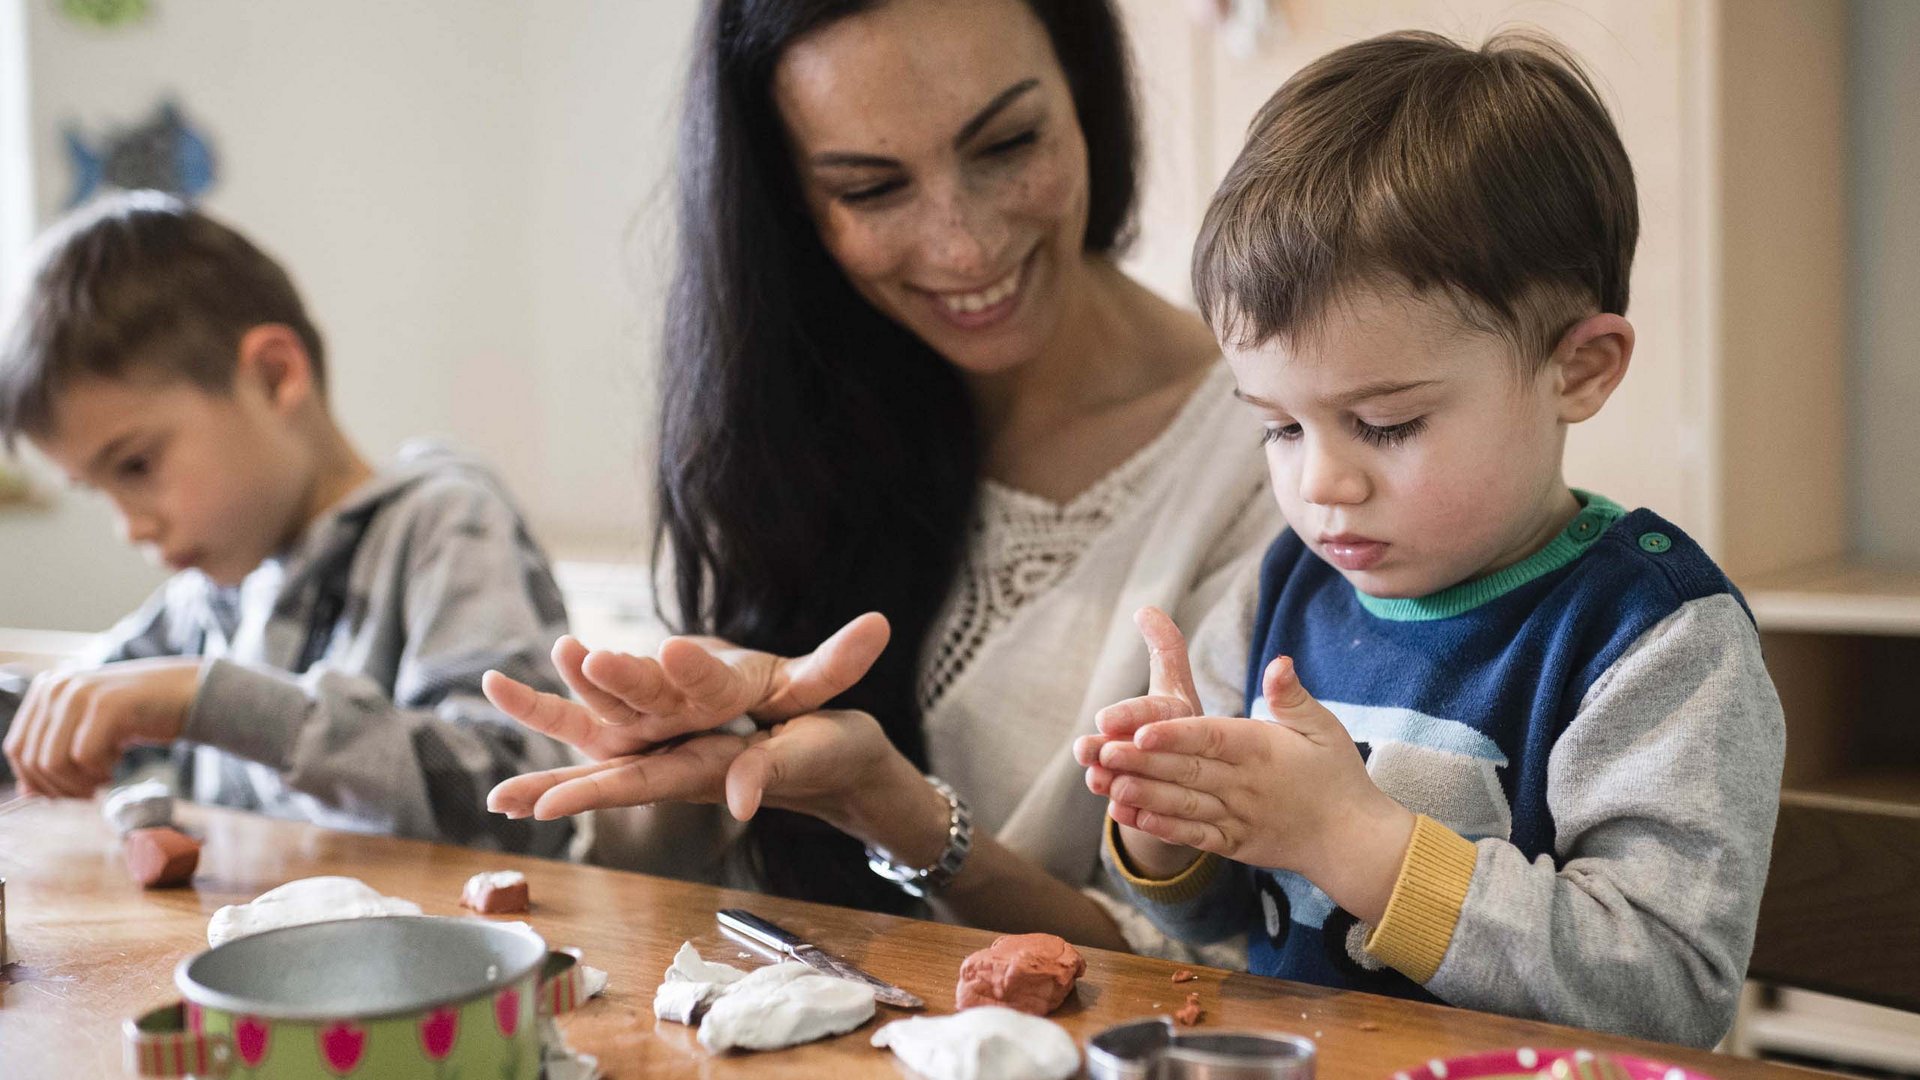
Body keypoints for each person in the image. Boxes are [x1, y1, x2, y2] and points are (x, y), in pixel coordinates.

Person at [481, 0, 1277, 955]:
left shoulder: (1278, 452)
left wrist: (902, 818)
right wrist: (692, 754)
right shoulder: (798, 418)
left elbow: (1219, 970)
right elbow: (675, 888)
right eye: (871, 188)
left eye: (1008, 143)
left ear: (1085, 93)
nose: (964, 246)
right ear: (790, 205)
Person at [1075, 32, 1785, 1046]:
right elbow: (1221, 927)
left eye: (1387, 424)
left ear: (1578, 369)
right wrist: (1168, 831)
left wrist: (1352, 838)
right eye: (1279, 425)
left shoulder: (1656, 640)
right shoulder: (1283, 592)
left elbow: (1667, 995)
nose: (1321, 484)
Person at [0, 192, 577, 856]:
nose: (129, 527)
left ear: (275, 377)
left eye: (135, 465)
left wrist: (213, 701)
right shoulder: (214, 590)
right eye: (96, 491)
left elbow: (519, 795)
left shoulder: (446, 524)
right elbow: (70, 705)